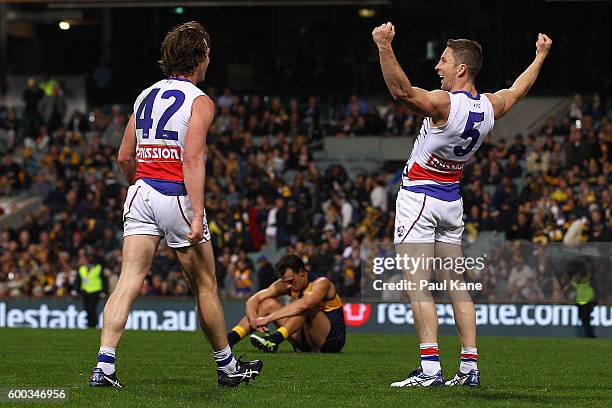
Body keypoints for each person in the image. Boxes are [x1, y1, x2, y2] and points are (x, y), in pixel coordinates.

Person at [372, 22, 552, 387]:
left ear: (461, 69)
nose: (437, 66)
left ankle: (430, 369)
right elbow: (517, 91)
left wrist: (384, 46)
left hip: (420, 196)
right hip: (452, 200)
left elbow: (402, 92)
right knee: (456, 283)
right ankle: (469, 366)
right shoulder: (489, 106)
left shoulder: (443, 104)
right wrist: (541, 56)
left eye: (443, 60)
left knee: (417, 283)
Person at [88, 21, 262, 388]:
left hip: (141, 191)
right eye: (208, 53)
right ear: (199, 57)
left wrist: (137, 190)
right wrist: (198, 215)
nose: (210, 60)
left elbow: (123, 157)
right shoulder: (200, 101)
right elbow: (193, 159)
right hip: (176, 195)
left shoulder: (145, 95)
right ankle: (226, 367)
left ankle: (104, 366)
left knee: (127, 281)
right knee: (205, 285)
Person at [226, 254, 346, 353]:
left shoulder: (321, 283)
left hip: (331, 341)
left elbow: (304, 304)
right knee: (267, 303)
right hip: (305, 339)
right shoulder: (288, 283)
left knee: (306, 305)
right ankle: (229, 340)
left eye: (291, 281)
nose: (288, 285)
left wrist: (267, 319)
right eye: (285, 281)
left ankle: (274, 339)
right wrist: (254, 320)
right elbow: (253, 299)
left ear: (302, 272)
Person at [75, 251, 107, 328]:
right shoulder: (82, 268)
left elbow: (104, 280)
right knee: (87, 309)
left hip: (95, 291)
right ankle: (90, 324)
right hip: (85, 291)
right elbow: (78, 280)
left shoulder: (98, 267)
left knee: (91, 308)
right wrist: (76, 289)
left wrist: (104, 291)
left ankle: (93, 324)